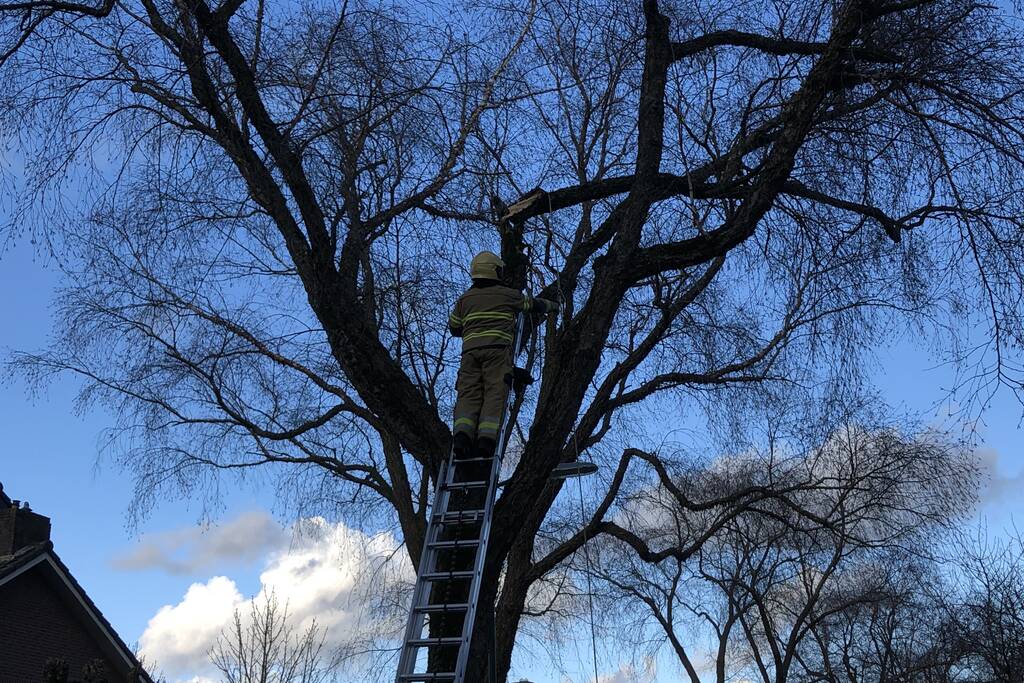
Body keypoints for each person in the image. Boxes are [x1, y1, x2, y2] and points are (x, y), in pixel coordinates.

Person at [448, 250, 558, 459]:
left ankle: (462, 437)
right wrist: (553, 305)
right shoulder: (507, 294)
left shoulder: (464, 299)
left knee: (468, 394)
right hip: (497, 352)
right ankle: (486, 440)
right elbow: (533, 305)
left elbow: (454, 327)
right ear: (494, 271)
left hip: (469, 355)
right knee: (494, 393)